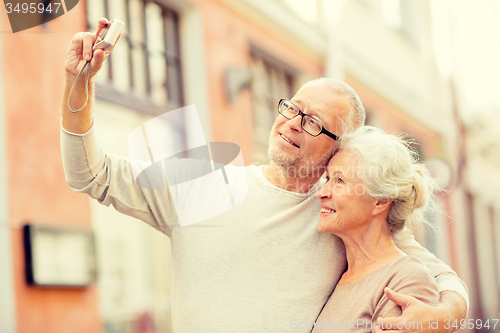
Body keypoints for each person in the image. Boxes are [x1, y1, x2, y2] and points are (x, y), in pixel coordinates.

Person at [60, 18, 468, 332]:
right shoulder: (202, 183)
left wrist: (448, 312)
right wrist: (78, 87)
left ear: (337, 150)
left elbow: (437, 276)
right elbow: (91, 174)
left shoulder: (341, 215)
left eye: (313, 122)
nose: (292, 122)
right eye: (292, 108)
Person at [311, 126, 440, 332]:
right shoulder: (339, 275)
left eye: (339, 180)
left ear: (380, 202)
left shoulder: (406, 279)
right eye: (327, 179)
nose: (322, 193)